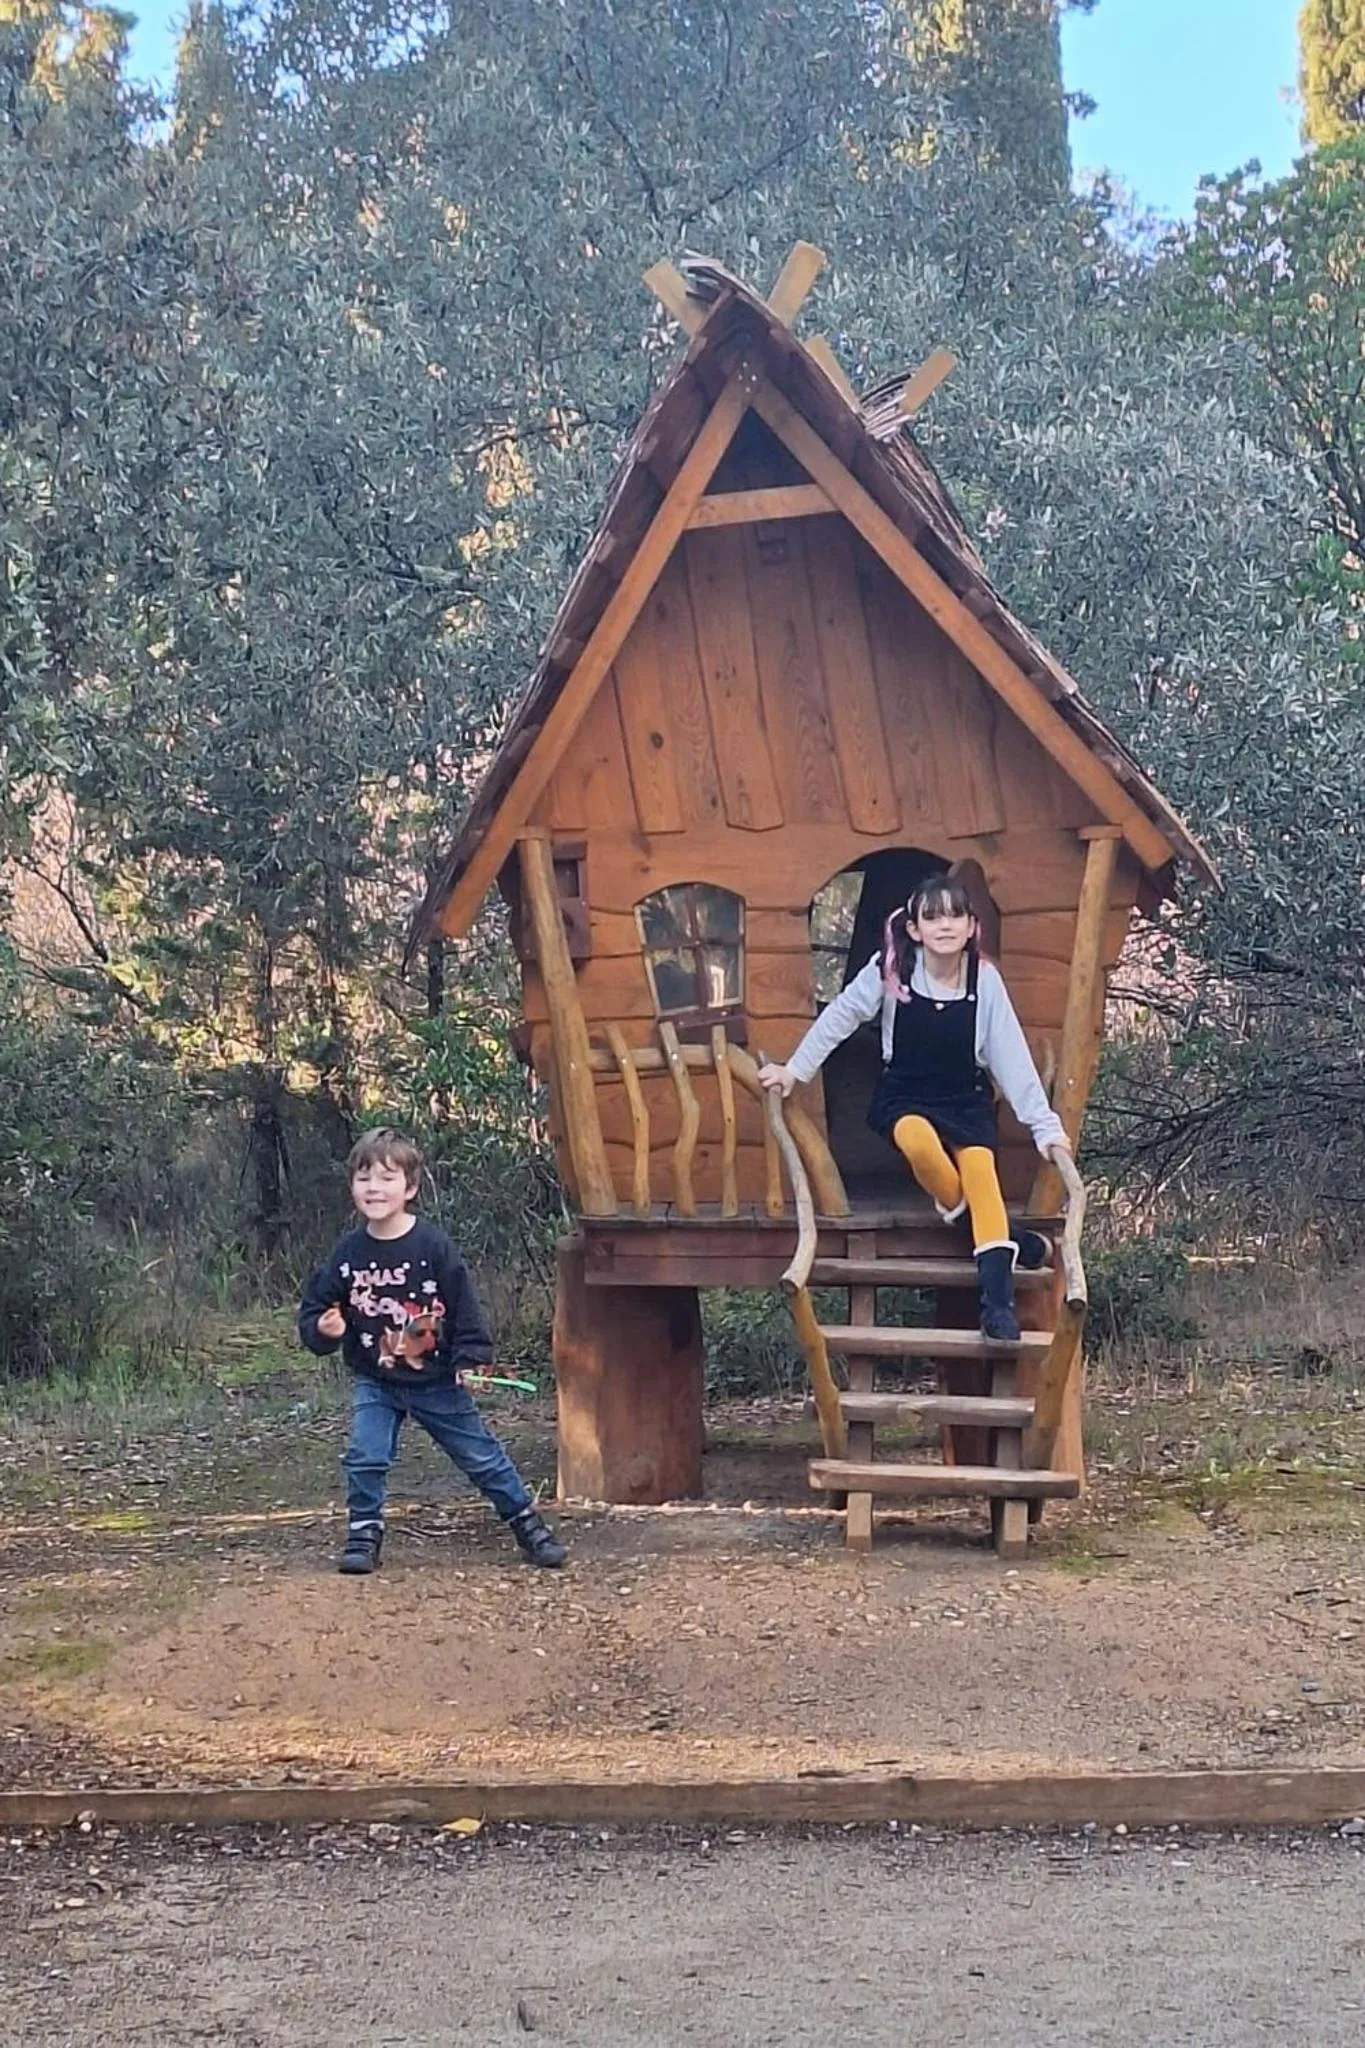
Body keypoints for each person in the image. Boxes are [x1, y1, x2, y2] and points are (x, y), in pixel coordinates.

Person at [758, 874, 1070, 1342]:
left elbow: (1012, 1057)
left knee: (980, 1173)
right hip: (906, 1094)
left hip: (964, 1096)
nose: (945, 925)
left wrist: (1045, 1127)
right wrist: (793, 1071)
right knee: (918, 1143)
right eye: (932, 916)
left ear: (971, 927)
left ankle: (998, 1307)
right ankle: (1006, 1236)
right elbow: (841, 1015)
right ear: (914, 928)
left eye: (955, 916)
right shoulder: (892, 969)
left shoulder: (984, 980)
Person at [299, 1126, 566, 1574]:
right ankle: (364, 1532)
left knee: (480, 1456)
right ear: (352, 1187)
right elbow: (316, 1309)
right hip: (377, 1379)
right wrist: (324, 1329)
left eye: (386, 1178)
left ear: (410, 1188)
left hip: (437, 1380)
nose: (374, 1188)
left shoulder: (432, 1246)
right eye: (364, 1178)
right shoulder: (347, 1254)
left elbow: (463, 1306)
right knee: (366, 1455)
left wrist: (470, 1358)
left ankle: (528, 1524)